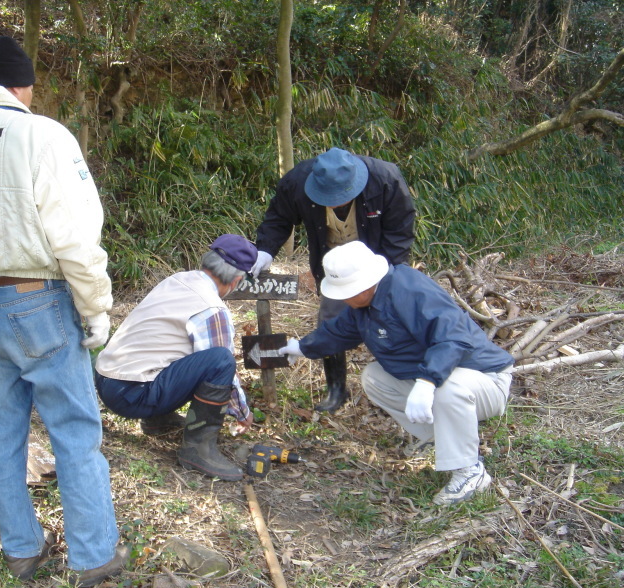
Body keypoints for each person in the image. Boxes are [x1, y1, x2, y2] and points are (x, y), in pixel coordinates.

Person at [0, 35, 126, 587]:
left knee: (2, 432)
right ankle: (93, 556)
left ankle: (21, 552)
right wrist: (96, 307)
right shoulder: (40, 134)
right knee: (75, 430)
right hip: (40, 299)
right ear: (22, 84)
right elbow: (75, 234)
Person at [278, 241, 514, 505]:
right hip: (443, 377)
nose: (343, 298)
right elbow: (339, 331)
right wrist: (301, 347)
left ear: (365, 283)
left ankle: (470, 470)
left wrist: (426, 383)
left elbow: (453, 340)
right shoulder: (364, 304)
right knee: (375, 377)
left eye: (346, 291)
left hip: (484, 378)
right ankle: (443, 439)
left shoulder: (410, 291)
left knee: (445, 388)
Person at [252, 147, 416, 413]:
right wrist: (265, 250)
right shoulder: (297, 182)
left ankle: (401, 384)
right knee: (330, 318)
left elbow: (400, 228)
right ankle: (336, 389)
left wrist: (389, 271)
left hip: (377, 257)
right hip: (334, 262)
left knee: (392, 318)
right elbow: (278, 218)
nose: (336, 202)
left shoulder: (385, 178)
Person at [94, 234, 256, 481]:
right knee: (220, 361)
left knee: (178, 350)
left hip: (106, 380)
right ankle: (198, 450)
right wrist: (242, 412)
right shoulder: (211, 308)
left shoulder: (178, 280)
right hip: (131, 394)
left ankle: (157, 419)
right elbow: (222, 371)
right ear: (236, 281)